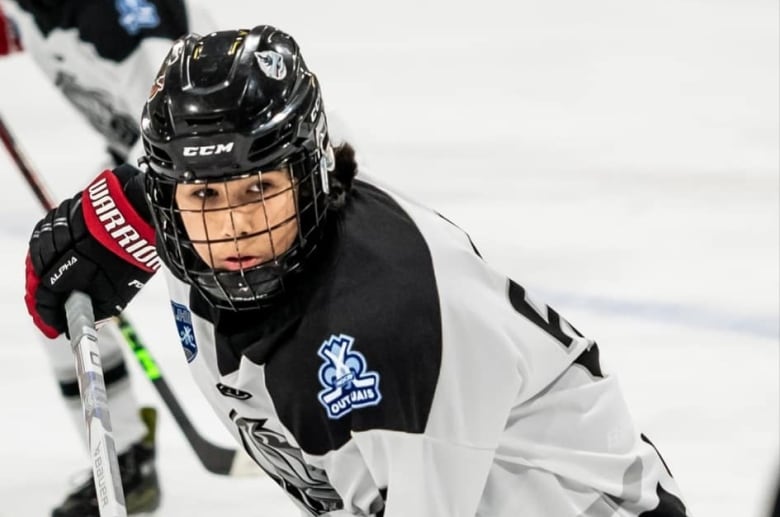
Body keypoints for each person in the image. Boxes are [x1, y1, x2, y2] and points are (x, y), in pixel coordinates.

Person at [24, 25, 691, 516]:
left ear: (310, 173)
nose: (233, 229)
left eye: (259, 190)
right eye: (204, 196)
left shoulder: (385, 329)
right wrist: (123, 214)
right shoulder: (192, 231)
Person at [1, 1, 213, 515]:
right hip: (153, 168)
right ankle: (123, 461)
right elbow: (28, 27)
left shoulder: (123, 26)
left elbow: (202, 135)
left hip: (215, 187)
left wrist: (130, 214)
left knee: (230, 337)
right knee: (56, 286)